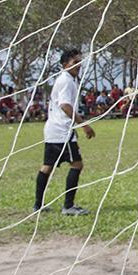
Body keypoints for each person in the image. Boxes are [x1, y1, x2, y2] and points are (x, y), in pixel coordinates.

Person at [34, 48, 95, 215]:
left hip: (53, 130)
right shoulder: (66, 80)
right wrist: (84, 125)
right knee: (77, 164)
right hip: (62, 132)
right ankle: (68, 206)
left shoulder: (67, 80)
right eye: (75, 62)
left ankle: (38, 206)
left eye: (80, 62)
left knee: (47, 166)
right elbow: (65, 105)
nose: (79, 65)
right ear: (64, 65)